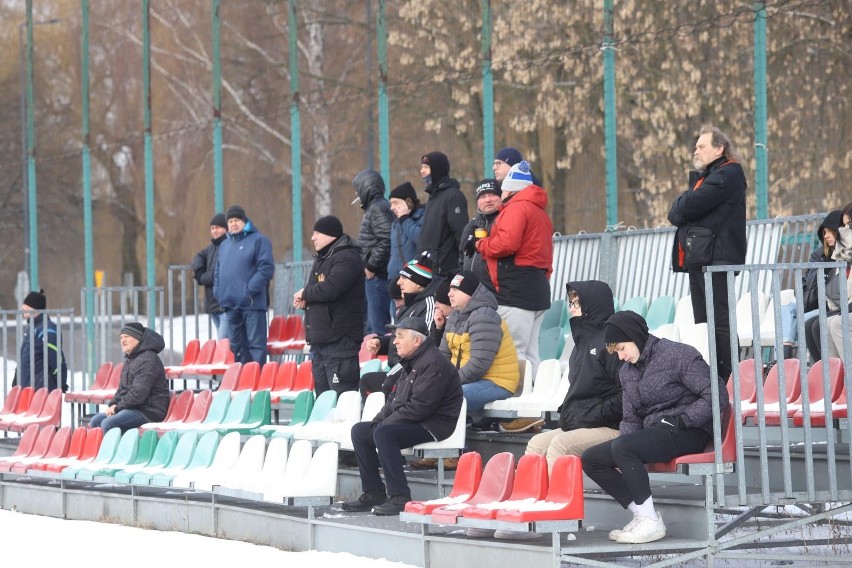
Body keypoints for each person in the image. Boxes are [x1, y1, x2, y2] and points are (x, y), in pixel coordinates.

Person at [582, 310, 730, 544]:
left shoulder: (678, 355)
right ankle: (643, 514)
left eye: (622, 348)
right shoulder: (626, 373)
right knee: (592, 459)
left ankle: (650, 522)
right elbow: (630, 418)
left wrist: (683, 419)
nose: (620, 356)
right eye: (616, 352)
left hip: (688, 430)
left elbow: (717, 394)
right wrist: (622, 452)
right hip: (656, 432)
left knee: (624, 448)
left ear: (634, 336)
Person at [341, 317, 463, 516]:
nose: (394, 341)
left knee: (384, 433)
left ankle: (399, 497)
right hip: (418, 420)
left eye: (399, 336)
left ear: (417, 341)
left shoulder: (433, 363)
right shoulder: (412, 361)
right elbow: (394, 401)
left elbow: (421, 407)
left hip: (435, 425)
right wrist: (377, 422)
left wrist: (383, 426)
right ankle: (373, 492)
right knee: (361, 431)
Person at [668, 126, 747, 382]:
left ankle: (729, 379)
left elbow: (688, 206)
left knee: (720, 322)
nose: (696, 151)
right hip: (700, 259)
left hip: (718, 259)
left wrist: (685, 202)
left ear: (719, 148)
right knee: (703, 323)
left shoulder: (730, 172)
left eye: (702, 146)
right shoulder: (707, 178)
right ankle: (712, 379)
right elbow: (677, 213)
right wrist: (686, 203)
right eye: (696, 146)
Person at [525, 281, 622, 472]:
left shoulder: (612, 344)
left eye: (576, 303)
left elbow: (627, 395)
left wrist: (594, 414)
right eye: (570, 303)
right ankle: (530, 498)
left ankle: (557, 501)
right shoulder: (579, 346)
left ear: (592, 304)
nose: (571, 309)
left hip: (613, 426)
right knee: (537, 444)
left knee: (560, 444)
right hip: (584, 424)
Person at [476, 160, 553, 375]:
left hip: (516, 291)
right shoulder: (539, 212)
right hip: (536, 287)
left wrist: (481, 244)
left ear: (509, 188)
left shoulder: (516, 208)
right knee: (531, 352)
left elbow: (507, 244)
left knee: (514, 350)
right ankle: (537, 399)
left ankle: (519, 401)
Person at [294, 216, 366, 395]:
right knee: (324, 400)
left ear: (331, 235)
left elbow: (332, 288)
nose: (313, 238)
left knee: (342, 399)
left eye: (317, 233)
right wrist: (307, 300)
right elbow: (317, 289)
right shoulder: (323, 258)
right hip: (321, 341)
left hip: (339, 340)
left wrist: (305, 293)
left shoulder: (347, 257)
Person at [360, 254, 438, 401]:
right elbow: (402, 338)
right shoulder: (409, 306)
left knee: (387, 384)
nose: (399, 282)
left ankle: (387, 422)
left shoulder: (428, 305)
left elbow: (422, 345)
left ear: (418, 282)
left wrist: (393, 373)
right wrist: (381, 344)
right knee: (367, 381)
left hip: (413, 371)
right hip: (400, 367)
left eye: (405, 278)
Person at [440, 271, 519, 412]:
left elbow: (479, 364)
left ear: (471, 293)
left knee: (447, 397)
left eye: (456, 290)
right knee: (426, 393)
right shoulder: (454, 317)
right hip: (471, 381)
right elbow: (443, 356)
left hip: (497, 382)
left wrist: (449, 382)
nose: (449, 294)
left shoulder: (485, 317)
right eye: (450, 290)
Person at [214, 205, 274, 365]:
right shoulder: (225, 245)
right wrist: (219, 292)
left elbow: (266, 268)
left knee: (255, 346)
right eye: (230, 221)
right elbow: (218, 271)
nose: (233, 224)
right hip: (231, 305)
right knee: (237, 347)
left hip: (252, 304)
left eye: (237, 220)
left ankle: (257, 383)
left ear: (244, 221)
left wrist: (248, 291)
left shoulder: (259, 240)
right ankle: (243, 384)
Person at [89, 323, 171, 433]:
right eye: (121, 337)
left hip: (149, 411)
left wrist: (117, 408)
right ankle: (100, 450)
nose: (122, 340)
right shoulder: (131, 360)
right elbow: (122, 390)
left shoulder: (148, 359)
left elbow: (138, 394)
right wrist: (113, 404)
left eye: (126, 336)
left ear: (138, 338)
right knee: (96, 420)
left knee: (108, 423)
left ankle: (114, 450)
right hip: (133, 408)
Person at [352, 169, 395, 335]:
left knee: (377, 329)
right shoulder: (375, 208)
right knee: (371, 328)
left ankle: (379, 361)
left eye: (358, 189)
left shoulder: (378, 209)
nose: (356, 194)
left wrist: (371, 265)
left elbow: (386, 239)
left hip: (377, 277)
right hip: (375, 277)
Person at [416, 151, 469, 278]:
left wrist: (463, 266)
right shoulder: (433, 197)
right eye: (422, 167)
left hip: (445, 269)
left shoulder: (453, 196)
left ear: (437, 169)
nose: (422, 171)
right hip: (428, 267)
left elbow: (461, 233)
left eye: (426, 167)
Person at [16, 290, 68, 392]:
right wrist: (17, 377)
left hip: (42, 390)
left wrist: (60, 382)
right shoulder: (32, 327)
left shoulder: (47, 329)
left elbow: (56, 359)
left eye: (26, 305)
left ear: (35, 308)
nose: (22, 308)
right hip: (29, 389)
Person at [459, 179, 502, 292]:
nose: (488, 200)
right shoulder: (471, 225)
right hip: (470, 292)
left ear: (501, 197)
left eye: (492, 195)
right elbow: (461, 259)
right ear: (477, 201)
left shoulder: (505, 221)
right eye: (483, 197)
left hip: (496, 291)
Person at [191, 213, 229, 339]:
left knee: (224, 343)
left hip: (224, 305)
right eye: (212, 228)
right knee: (224, 342)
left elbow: (218, 275)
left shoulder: (228, 245)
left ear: (226, 228)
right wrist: (199, 270)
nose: (215, 231)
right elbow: (198, 256)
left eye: (218, 227)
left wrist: (201, 278)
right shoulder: (212, 247)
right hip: (213, 305)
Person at [387, 181, 425, 308]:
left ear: (408, 202)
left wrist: (405, 219)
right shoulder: (395, 223)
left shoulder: (422, 217)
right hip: (396, 282)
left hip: (413, 282)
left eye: (396, 203)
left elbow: (421, 239)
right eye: (391, 203)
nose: (392, 207)